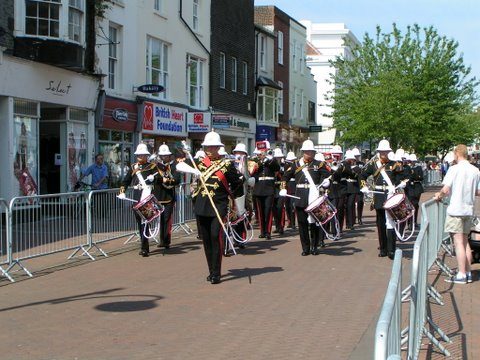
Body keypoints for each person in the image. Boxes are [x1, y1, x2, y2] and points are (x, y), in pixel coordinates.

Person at [177, 131, 244, 284]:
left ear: (218, 148)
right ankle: (211, 270)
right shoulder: (199, 163)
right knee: (206, 239)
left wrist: (231, 197)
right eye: (207, 147)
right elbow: (179, 165)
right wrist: (193, 170)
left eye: (213, 147)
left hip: (218, 205)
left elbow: (238, 182)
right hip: (202, 205)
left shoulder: (226, 164)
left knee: (215, 236)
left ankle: (217, 272)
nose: (210, 149)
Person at [433, 144, 480, 284]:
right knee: (465, 242)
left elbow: (446, 189)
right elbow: (478, 191)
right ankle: (468, 272)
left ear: (457, 154)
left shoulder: (454, 169)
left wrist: (439, 195)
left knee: (458, 243)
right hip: (468, 209)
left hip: (456, 209)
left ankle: (461, 273)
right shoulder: (475, 170)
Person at [280, 140, 330, 256]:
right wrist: (283, 188)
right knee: (302, 223)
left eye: (311, 152)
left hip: (314, 197)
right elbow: (285, 177)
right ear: (303, 152)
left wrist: (327, 182)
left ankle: (314, 246)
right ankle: (305, 248)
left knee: (315, 223)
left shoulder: (319, 164)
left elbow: (328, 176)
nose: (309, 154)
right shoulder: (296, 164)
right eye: (307, 152)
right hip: (300, 196)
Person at [360, 140, 404, 259]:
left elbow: (402, 177)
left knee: (391, 222)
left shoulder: (394, 164)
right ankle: (383, 249)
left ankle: (391, 250)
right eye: (381, 152)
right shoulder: (372, 164)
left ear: (388, 152)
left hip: (390, 195)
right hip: (378, 195)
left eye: (385, 152)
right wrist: (363, 186)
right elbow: (362, 175)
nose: (383, 154)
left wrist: (401, 184)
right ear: (379, 152)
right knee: (380, 223)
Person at [119, 144, 160, 257]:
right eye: (138, 155)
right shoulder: (133, 167)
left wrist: (154, 178)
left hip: (147, 197)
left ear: (146, 155)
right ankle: (143, 244)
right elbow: (125, 181)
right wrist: (122, 191)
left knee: (146, 222)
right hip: (137, 197)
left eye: (142, 155)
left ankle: (144, 247)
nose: (140, 157)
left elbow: (159, 180)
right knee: (139, 222)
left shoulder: (152, 167)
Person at [153, 143, 181, 249]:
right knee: (160, 219)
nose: (163, 157)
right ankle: (162, 240)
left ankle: (166, 240)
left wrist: (165, 179)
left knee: (167, 219)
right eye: (162, 156)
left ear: (169, 156)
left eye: (165, 156)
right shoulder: (156, 166)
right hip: (158, 195)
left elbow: (177, 180)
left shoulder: (174, 166)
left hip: (169, 196)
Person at [251, 141, 280, 239]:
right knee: (260, 212)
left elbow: (277, 168)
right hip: (258, 188)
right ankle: (262, 231)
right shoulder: (255, 161)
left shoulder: (272, 160)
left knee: (268, 210)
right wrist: (259, 162)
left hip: (269, 187)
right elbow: (252, 173)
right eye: (260, 151)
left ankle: (268, 231)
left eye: (263, 151)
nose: (261, 153)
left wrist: (267, 159)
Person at [284, 151, 297, 229]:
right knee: (287, 206)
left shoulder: (296, 166)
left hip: (294, 187)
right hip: (287, 186)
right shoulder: (286, 166)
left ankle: (293, 223)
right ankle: (289, 222)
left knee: (292, 206)